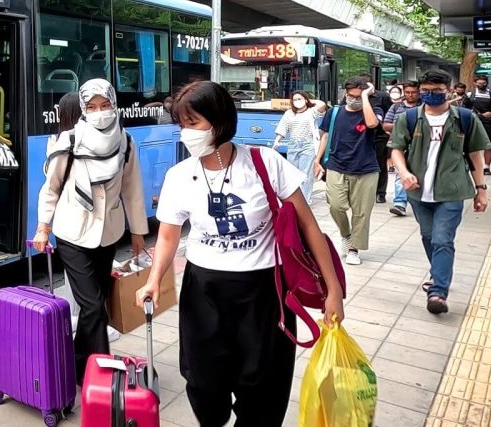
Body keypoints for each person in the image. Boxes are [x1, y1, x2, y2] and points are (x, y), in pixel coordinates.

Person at [136, 81, 344, 427]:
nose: (186, 133)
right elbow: (169, 236)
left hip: (264, 293)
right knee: (203, 381)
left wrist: (333, 290)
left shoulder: (264, 162)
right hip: (203, 292)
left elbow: (309, 226)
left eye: (194, 123)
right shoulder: (178, 176)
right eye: (181, 125)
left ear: (219, 121)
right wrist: (154, 281)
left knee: (263, 384)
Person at [32, 79, 147, 380]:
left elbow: (133, 189)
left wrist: (137, 232)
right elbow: (51, 188)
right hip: (72, 232)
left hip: (108, 232)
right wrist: (43, 227)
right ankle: (100, 372)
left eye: (105, 105)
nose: (99, 112)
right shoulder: (69, 140)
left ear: (113, 104)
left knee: (94, 306)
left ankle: (76, 362)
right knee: (94, 306)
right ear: (83, 109)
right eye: (92, 107)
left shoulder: (125, 141)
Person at [388, 69, 491, 314]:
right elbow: (396, 149)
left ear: (449, 90)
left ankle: (438, 293)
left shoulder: (465, 117)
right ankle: (438, 273)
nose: (430, 95)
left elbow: (475, 154)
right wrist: (403, 173)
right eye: (425, 91)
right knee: (428, 237)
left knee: (443, 239)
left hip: (451, 191)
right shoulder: (409, 117)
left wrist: (481, 189)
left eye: (436, 92)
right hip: (418, 192)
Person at [314, 77, 380, 266]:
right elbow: (325, 136)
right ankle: (346, 234)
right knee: (336, 205)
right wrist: (317, 160)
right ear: (345, 93)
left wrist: (366, 98)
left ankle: (353, 249)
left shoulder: (373, 111)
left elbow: (373, 124)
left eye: (359, 97)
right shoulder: (334, 112)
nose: (354, 99)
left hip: (366, 168)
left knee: (361, 212)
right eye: (351, 96)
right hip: (337, 165)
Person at [271, 91, 327, 204]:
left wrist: (309, 102)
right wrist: (277, 140)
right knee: (292, 175)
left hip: (308, 146)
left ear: (306, 99)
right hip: (293, 146)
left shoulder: (312, 112)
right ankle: (294, 199)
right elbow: (283, 128)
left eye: (299, 99)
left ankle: (305, 201)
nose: (297, 102)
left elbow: (322, 105)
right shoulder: (289, 113)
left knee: (305, 175)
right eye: (295, 100)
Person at [383, 81, 422, 216]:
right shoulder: (396, 107)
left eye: (414, 92)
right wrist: (404, 127)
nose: (410, 95)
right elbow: (386, 125)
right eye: (407, 92)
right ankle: (400, 203)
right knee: (401, 172)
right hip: (401, 145)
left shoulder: (425, 106)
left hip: (421, 145)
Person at [463, 76, 491, 175]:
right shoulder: (470, 95)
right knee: (470, 145)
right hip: (473, 122)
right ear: (475, 83)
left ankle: (486, 167)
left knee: (489, 145)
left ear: (487, 83)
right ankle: (470, 165)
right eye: (479, 83)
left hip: (489, 123)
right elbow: (464, 108)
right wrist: (473, 114)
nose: (481, 85)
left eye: (483, 83)